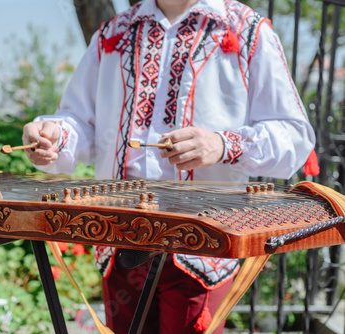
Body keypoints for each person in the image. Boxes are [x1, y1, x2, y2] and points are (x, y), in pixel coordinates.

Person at [22, 0, 316, 332]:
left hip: (201, 246)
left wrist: (223, 144)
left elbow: (295, 136)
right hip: (120, 235)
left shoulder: (246, 30)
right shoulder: (115, 32)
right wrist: (54, 136)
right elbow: (81, 124)